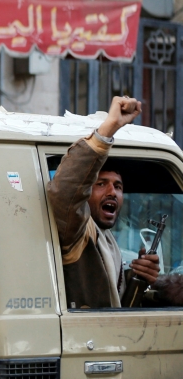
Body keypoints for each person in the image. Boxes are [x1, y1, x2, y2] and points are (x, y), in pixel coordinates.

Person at [48, 96, 161, 309]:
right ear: (85, 192)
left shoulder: (107, 241)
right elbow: (65, 192)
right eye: (101, 184)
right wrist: (108, 129)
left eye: (118, 186)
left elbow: (107, 292)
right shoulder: (76, 233)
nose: (112, 192)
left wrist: (139, 275)